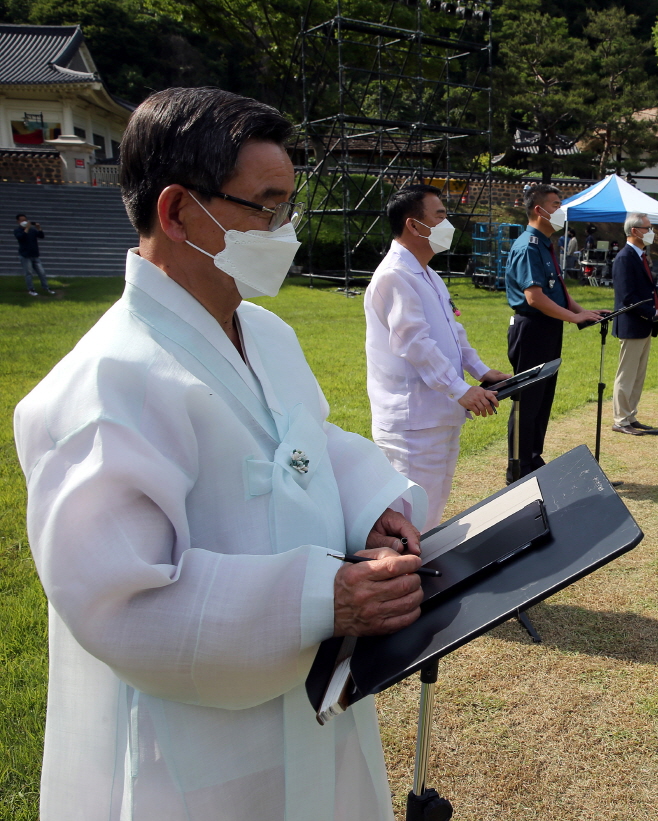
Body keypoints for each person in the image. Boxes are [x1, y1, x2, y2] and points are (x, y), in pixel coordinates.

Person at [13, 87, 429, 821]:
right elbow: (121, 604)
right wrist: (321, 599)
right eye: (265, 206)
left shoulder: (265, 333)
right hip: (198, 746)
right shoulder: (105, 385)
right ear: (178, 212)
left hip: (311, 700)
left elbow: (307, 442)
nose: (285, 228)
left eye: (288, 205)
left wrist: (371, 509)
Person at [365, 184, 511, 528]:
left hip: (438, 413)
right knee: (410, 517)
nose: (449, 224)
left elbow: (452, 333)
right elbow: (414, 343)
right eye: (441, 216)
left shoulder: (427, 274)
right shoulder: (395, 276)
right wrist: (460, 390)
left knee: (431, 511)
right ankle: (405, 577)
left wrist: (481, 371)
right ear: (414, 225)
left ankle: (420, 574)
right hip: (413, 422)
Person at [505, 184, 604, 482]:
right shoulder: (528, 246)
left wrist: (582, 312)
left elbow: (557, 291)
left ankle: (533, 459)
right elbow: (535, 298)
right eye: (556, 204)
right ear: (539, 209)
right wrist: (574, 318)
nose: (561, 211)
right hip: (532, 327)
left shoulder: (546, 244)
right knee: (528, 399)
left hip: (549, 326)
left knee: (543, 397)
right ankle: (517, 468)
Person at [610, 212, 658, 434]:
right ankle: (620, 420)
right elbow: (627, 297)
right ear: (634, 231)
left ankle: (630, 415)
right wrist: (651, 313)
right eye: (648, 228)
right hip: (632, 324)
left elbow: (649, 290)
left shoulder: (640, 256)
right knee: (626, 375)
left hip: (644, 324)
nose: (651, 232)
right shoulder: (625, 258)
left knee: (638, 375)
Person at [14, 213, 54, 296]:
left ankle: (45, 287)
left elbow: (41, 236)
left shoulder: (32, 230)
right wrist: (27, 228)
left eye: (25, 219)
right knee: (28, 273)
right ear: (18, 221)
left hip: (35, 255)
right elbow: (21, 237)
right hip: (25, 255)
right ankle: (31, 289)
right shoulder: (17, 231)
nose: (24, 221)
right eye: (22, 220)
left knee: (42, 272)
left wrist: (39, 228)